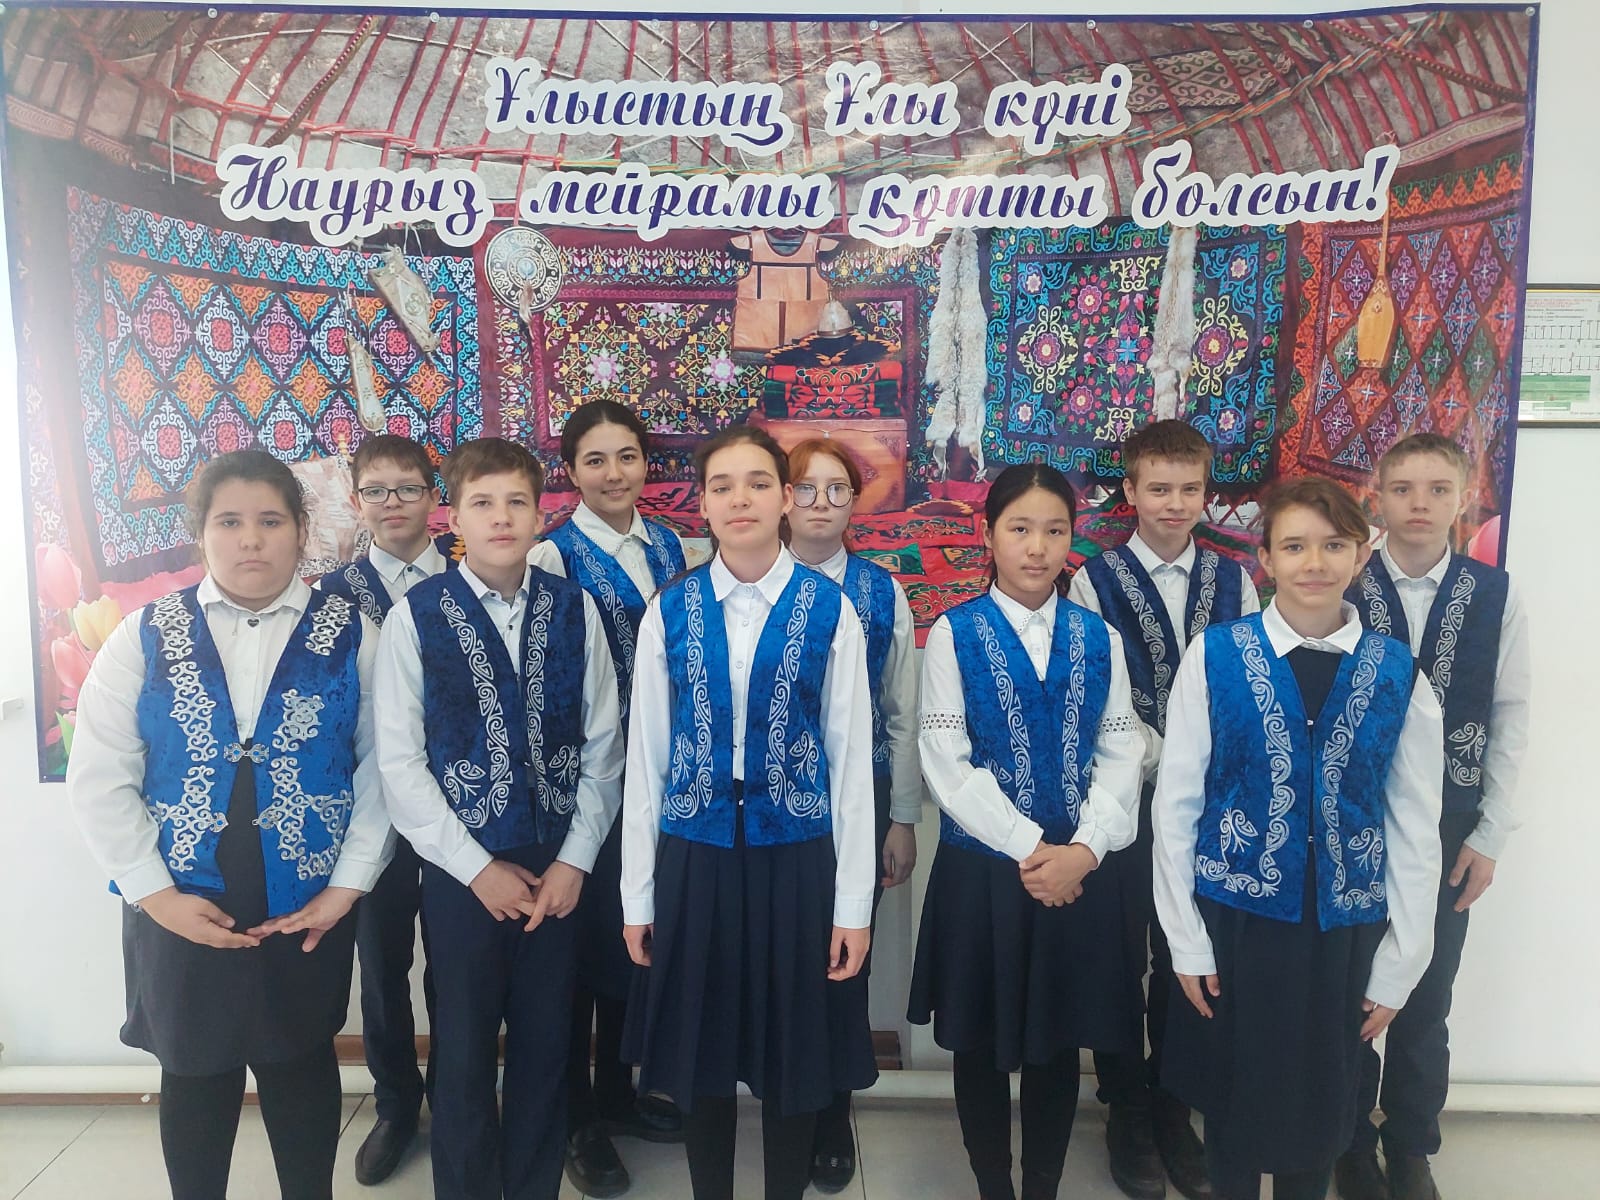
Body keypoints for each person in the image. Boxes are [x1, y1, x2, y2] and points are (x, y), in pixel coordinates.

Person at [67, 449, 393, 1200]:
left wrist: (345, 887)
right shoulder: (144, 634)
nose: (251, 539)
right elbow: (101, 775)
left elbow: (384, 771)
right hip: (180, 897)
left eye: (271, 521)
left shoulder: (354, 635)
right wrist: (156, 896)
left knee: (299, 1062)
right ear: (202, 533)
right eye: (230, 522)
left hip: (305, 900)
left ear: (301, 530)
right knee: (193, 1066)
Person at [1153, 476, 1445, 1200]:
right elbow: (1177, 805)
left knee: (1321, 1105)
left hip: (1340, 930)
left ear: (1362, 554)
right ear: (1266, 559)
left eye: (1334, 545)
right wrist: (1185, 940)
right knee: (1232, 1100)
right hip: (1235, 923)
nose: (1314, 563)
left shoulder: (1397, 674)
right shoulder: (1215, 656)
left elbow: (1414, 825)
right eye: (1294, 546)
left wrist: (1402, 961)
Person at [620, 424, 879, 1200]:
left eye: (760, 483)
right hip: (694, 857)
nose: (742, 499)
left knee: (792, 1053)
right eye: (723, 485)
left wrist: (853, 906)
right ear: (701, 504)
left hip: (795, 857)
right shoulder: (670, 610)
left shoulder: (830, 610)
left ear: (787, 498)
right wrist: (638, 896)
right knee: (701, 1055)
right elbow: (647, 764)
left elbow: (850, 768)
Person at [375, 437, 625, 1200]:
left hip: (558, 870)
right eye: (482, 503)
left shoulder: (575, 609)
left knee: (549, 1045)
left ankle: (533, 1184)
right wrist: (477, 869)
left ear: (541, 513)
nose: (502, 517)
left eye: (517, 501)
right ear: (453, 517)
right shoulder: (415, 618)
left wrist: (576, 861)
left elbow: (605, 745)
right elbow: (400, 765)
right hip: (463, 874)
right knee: (462, 1049)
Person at [910, 462, 1146, 1200]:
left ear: (1072, 539)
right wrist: (1032, 848)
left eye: (1054, 530)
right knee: (979, 1042)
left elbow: (1121, 748)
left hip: (1077, 872)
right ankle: (993, 1185)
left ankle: (1042, 1184)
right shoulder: (954, 633)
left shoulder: (1098, 637)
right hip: (985, 873)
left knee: (1057, 1041)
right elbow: (945, 759)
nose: (1037, 547)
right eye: (1020, 529)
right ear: (988, 536)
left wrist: (1086, 849)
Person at [1068, 419, 1259, 1200]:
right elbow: (1095, 694)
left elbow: (1249, 679)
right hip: (1126, 795)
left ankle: (1175, 1100)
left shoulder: (1236, 580)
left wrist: (1205, 766)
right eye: (1159, 488)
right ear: (1131, 490)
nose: (1175, 503)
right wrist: (1164, 758)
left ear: (1207, 492)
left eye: (1189, 489)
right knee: (1122, 953)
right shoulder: (1094, 580)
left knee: (1192, 944)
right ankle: (1126, 1106)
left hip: (1214, 804)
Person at [1337, 433, 1532, 1200]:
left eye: (1437, 489)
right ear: (1377, 498)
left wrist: (1492, 832)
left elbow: (1511, 714)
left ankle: (1411, 1143)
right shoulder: (1344, 581)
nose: (1419, 504)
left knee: (1428, 992)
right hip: (1352, 817)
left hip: (1452, 823)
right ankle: (1349, 1140)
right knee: (1354, 979)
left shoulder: (1496, 594)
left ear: (1464, 499)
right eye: (1403, 488)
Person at [528, 400, 688, 1197]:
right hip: (587, 781)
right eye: (595, 459)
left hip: (659, 778)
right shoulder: (553, 556)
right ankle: (578, 1119)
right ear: (570, 471)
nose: (614, 473)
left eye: (627, 456)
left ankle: (621, 1091)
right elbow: (547, 679)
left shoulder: (669, 545)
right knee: (580, 954)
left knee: (636, 935)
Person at [784, 437, 922, 1194]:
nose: (822, 503)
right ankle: (784, 1100)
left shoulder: (877, 591)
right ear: (783, 498)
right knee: (780, 953)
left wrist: (901, 816)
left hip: (858, 804)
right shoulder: (751, 582)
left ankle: (833, 1112)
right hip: (770, 808)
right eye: (806, 488)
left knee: (842, 959)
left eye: (837, 489)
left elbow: (902, 709)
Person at [320, 433, 453, 1186]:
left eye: (408, 487)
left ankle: (458, 1096)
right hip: (371, 811)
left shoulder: (470, 577)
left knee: (458, 964)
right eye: (377, 490)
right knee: (381, 964)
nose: (393, 503)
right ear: (355, 500)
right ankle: (397, 1103)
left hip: (462, 807)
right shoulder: (331, 597)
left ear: (435, 496)